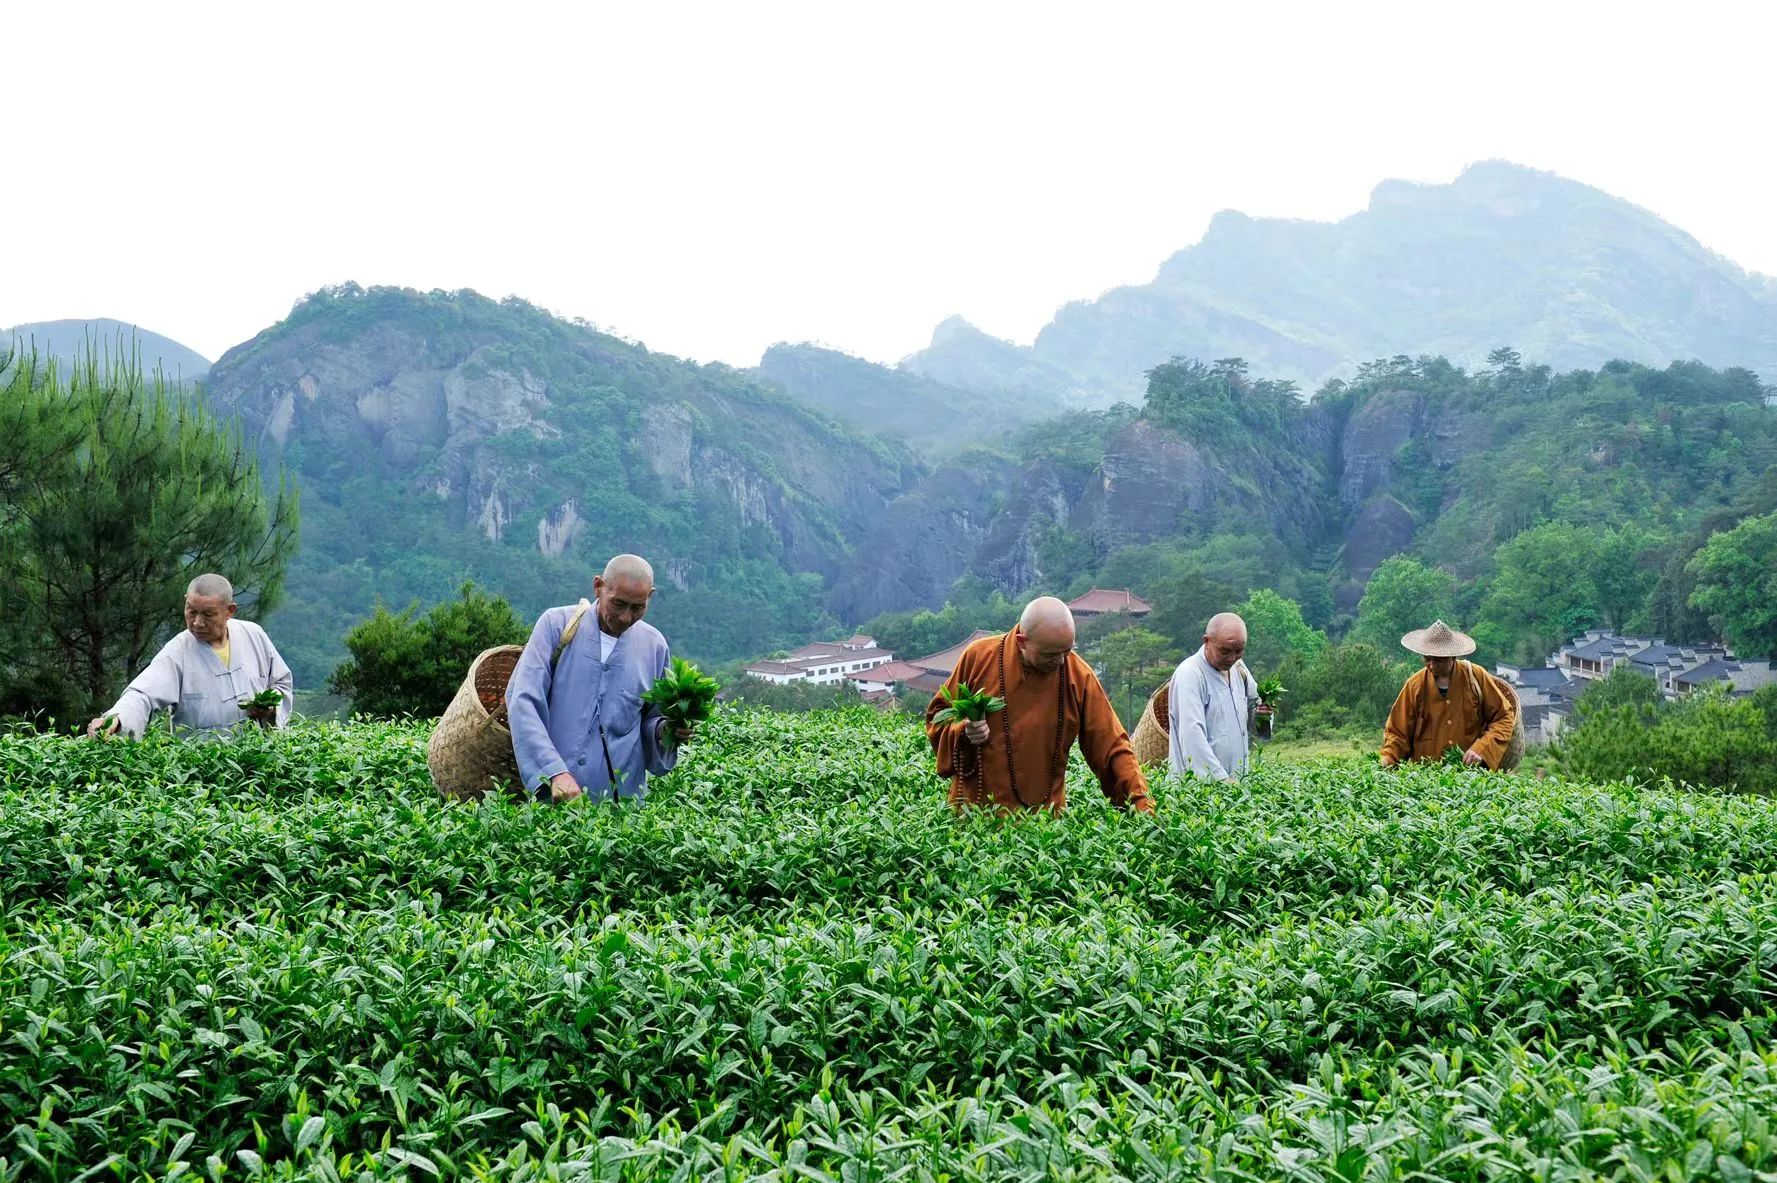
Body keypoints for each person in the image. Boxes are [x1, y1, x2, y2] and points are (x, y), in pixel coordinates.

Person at [925, 596, 1152, 813]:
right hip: (978, 818)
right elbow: (938, 716)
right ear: (1022, 641)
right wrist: (963, 730)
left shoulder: (1077, 674)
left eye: (1067, 651)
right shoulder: (979, 658)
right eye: (1050, 655)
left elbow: (1111, 745)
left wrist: (1141, 804)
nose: (1061, 661)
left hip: (1044, 825)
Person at [506, 554, 692, 804]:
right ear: (598, 587)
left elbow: (651, 718)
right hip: (552, 801)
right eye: (618, 604)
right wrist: (553, 771)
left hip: (621, 809)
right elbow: (523, 701)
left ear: (650, 596)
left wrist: (665, 731)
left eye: (638, 607)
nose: (626, 617)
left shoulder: (655, 647)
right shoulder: (556, 625)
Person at [87, 573, 293, 739]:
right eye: (191, 612)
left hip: (255, 766)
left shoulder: (253, 635)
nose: (197, 622)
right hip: (200, 775)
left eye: (208, 614)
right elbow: (142, 695)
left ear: (230, 611)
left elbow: (281, 683)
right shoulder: (178, 651)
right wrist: (116, 720)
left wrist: (270, 707)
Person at [1379, 620, 1518, 769]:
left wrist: (1481, 749)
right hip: (1426, 775)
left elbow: (1503, 717)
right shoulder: (1415, 686)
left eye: (1438, 661)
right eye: (1427, 659)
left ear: (1452, 657)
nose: (1431, 665)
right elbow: (1398, 733)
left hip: (1469, 775)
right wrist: (1387, 758)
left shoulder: (1475, 677)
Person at [1167, 612, 1269, 782]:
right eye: (1225, 651)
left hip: (1236, 786)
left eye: (1239, 651)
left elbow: (1254, 713)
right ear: (1207, 641)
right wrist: (1221, 780)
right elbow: (1192, 734)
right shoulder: (1190, 674)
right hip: (1199, 791)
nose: (1231, 658)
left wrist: (1263, 715)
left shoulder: (1239, 668)